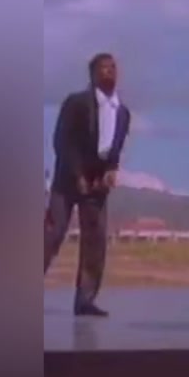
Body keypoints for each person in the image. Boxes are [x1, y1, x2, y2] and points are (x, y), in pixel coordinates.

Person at [44, 53, 131, 317]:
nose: (110, 71)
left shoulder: (122, 112)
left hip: (97, 182)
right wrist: (78, 175)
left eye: (113, 67)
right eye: (104, 68)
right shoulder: (77, 103)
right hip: (68, 178)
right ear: (93, 74)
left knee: (95, 240)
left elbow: (115, 147)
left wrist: (112, 170)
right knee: (53, 233)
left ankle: (85, 300)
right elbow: (63, 141)